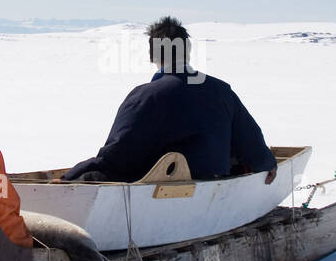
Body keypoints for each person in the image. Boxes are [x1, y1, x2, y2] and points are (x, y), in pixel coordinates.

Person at [62, 16, 278, 184]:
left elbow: (118, 156)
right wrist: (267, 163)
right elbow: (250, 141)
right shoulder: (221, 90)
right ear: (188, 52)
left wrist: (71, 177)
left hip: (164, 193)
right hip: (214, 185)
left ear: (153, 56)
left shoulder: (146, 96)